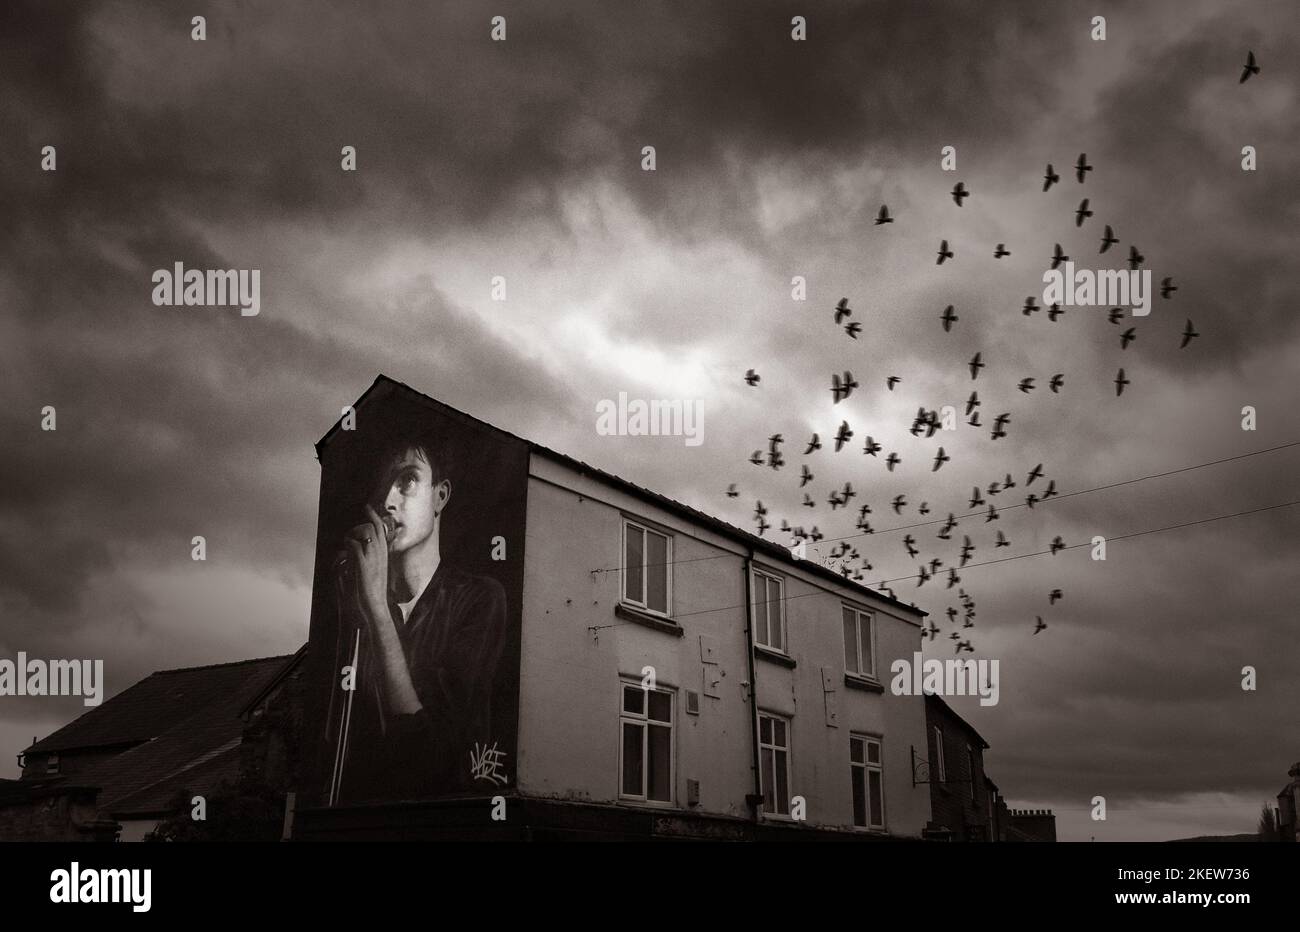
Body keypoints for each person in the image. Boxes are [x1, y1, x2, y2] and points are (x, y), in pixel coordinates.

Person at [331, 431, 507, 803]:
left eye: (407, 480)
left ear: (440, 495)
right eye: (381, 486)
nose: (388, 501)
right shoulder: (355, 597)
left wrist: (377, 608)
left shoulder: (478, 599)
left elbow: (427, 753)